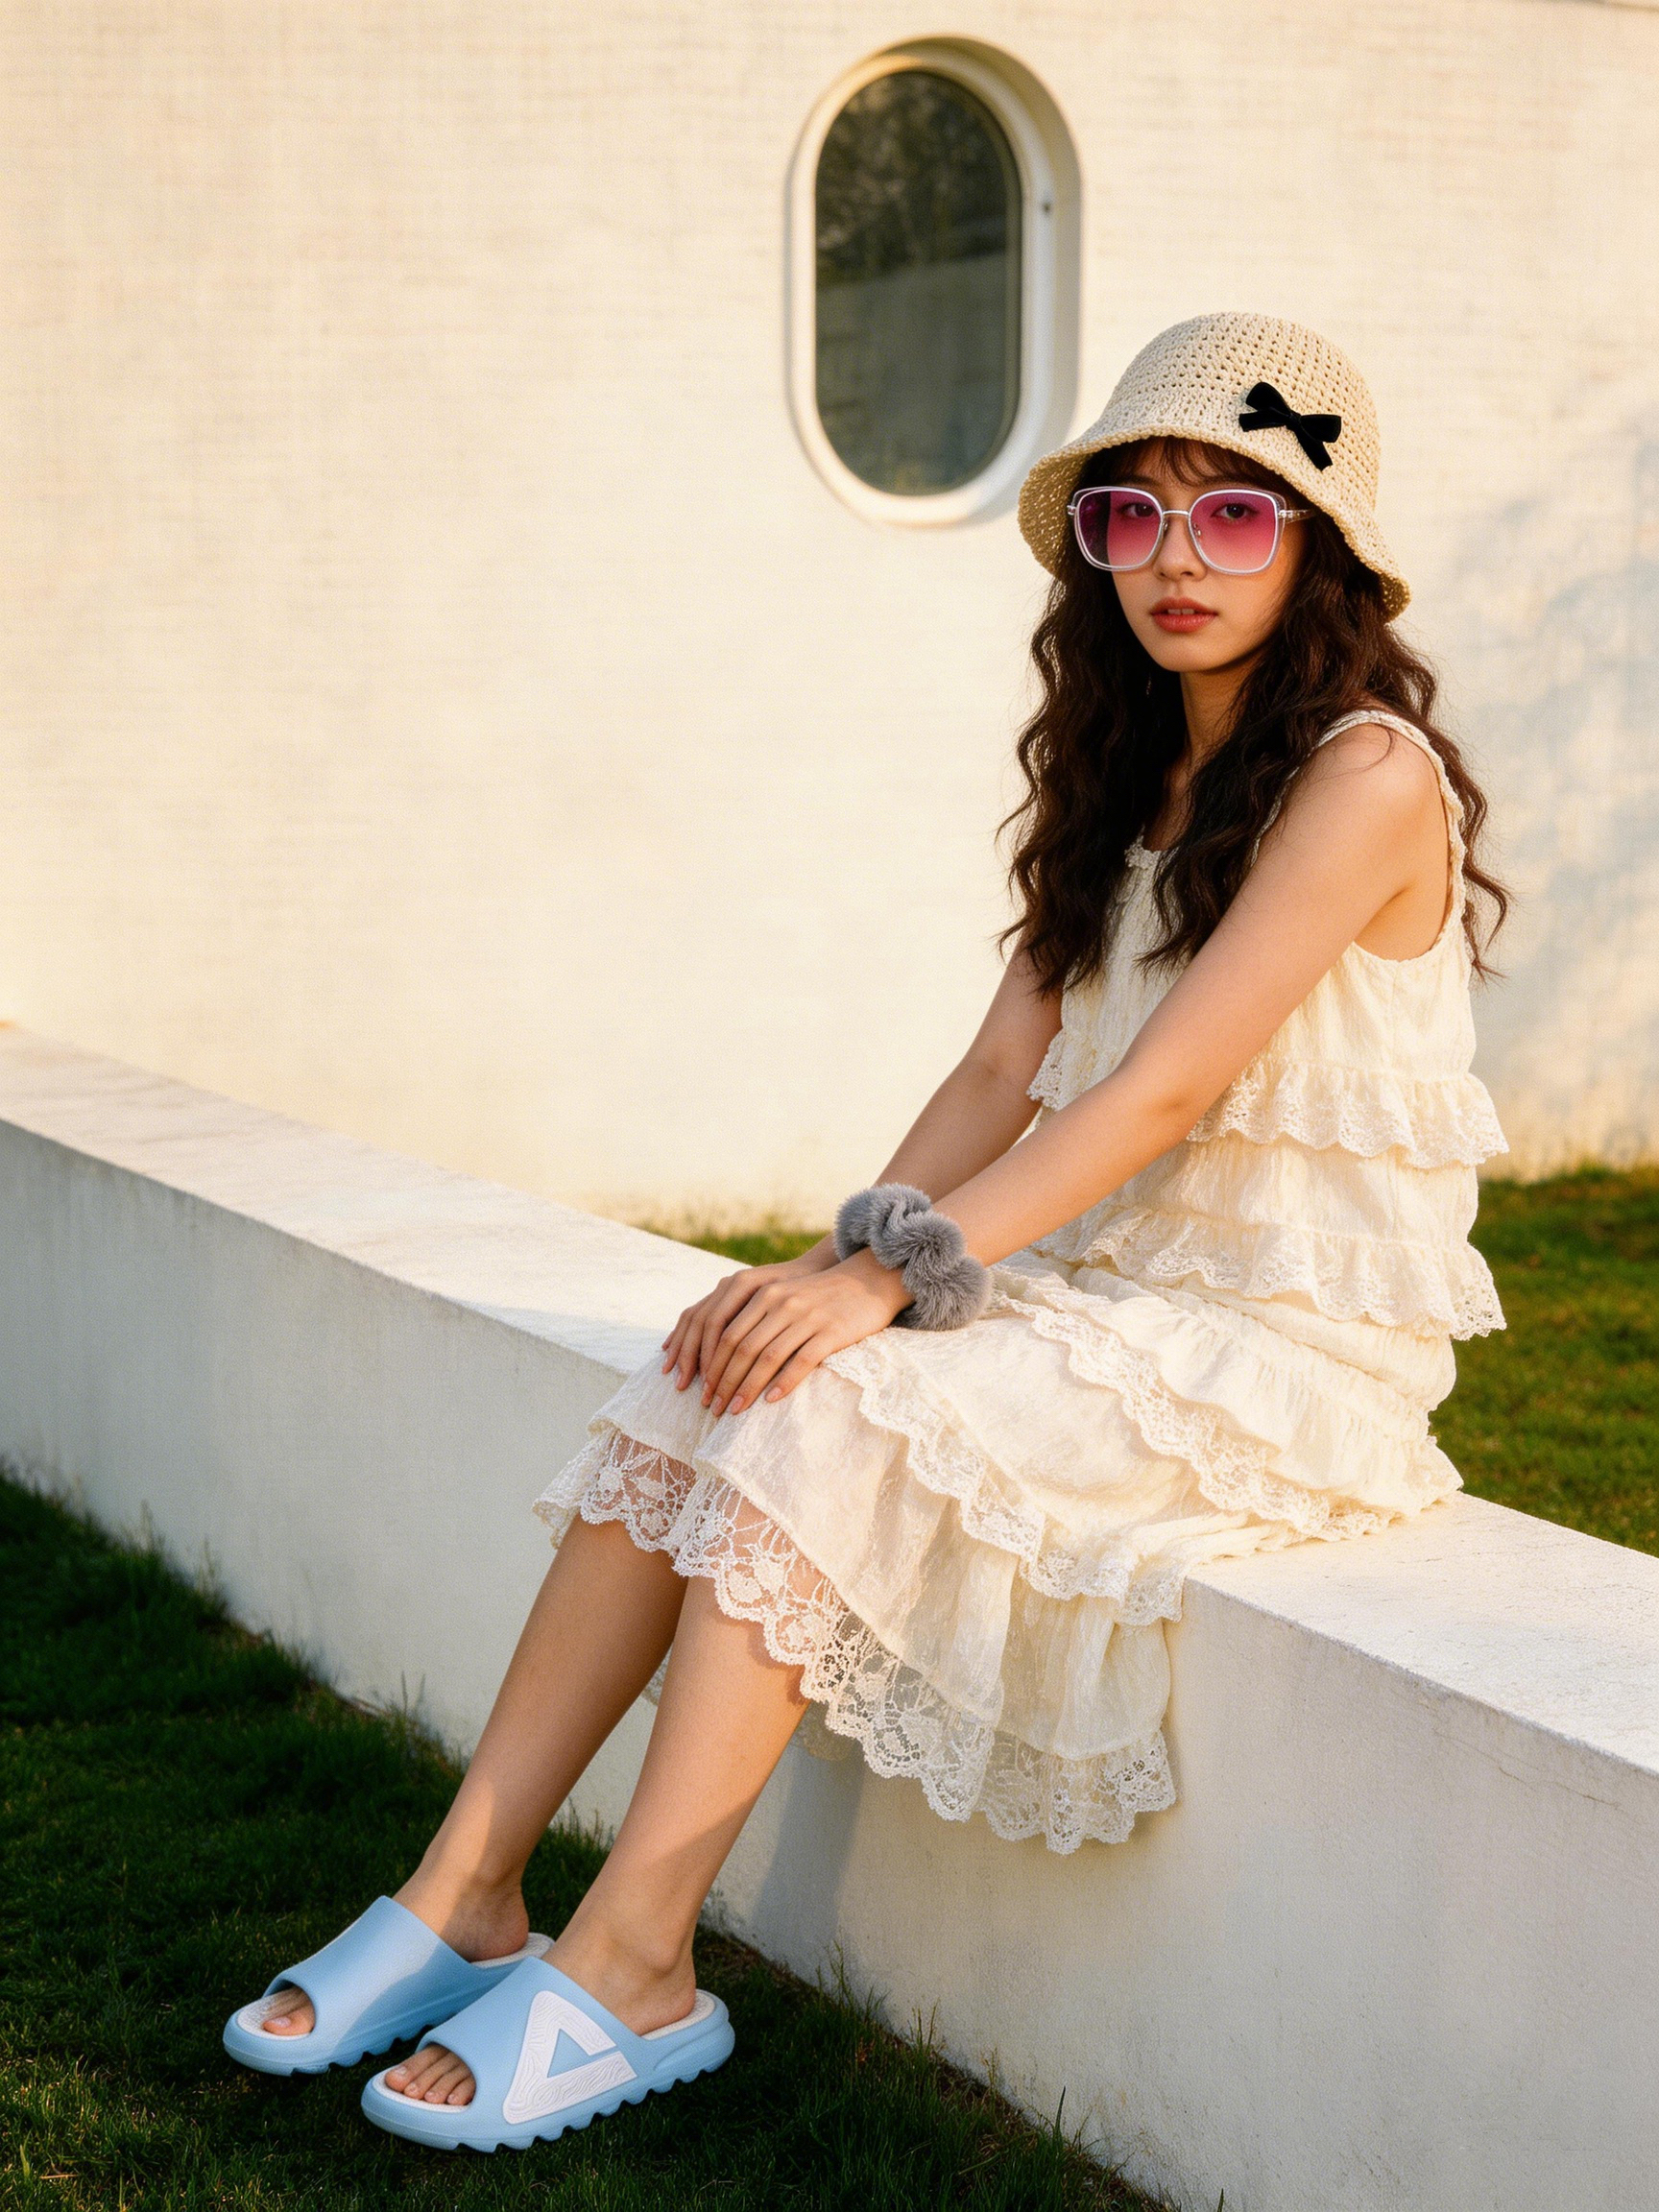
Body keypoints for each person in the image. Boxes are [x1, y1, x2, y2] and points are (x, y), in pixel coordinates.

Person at [223, 312, 1509, 2151]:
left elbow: (1157, 1096)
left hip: (1281, 1346)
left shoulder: (1365, 776)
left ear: (1322, 550)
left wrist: (890, 1286)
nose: (1174, 559)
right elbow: (1002, 1069)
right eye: (1130, 517)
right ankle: (467, 1890)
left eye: (1233, 513)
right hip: (1109, 1291)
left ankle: (636, 1958)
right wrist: (843, 1261)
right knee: (707, 1371)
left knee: (828, 1403)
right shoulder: (1127, 767)